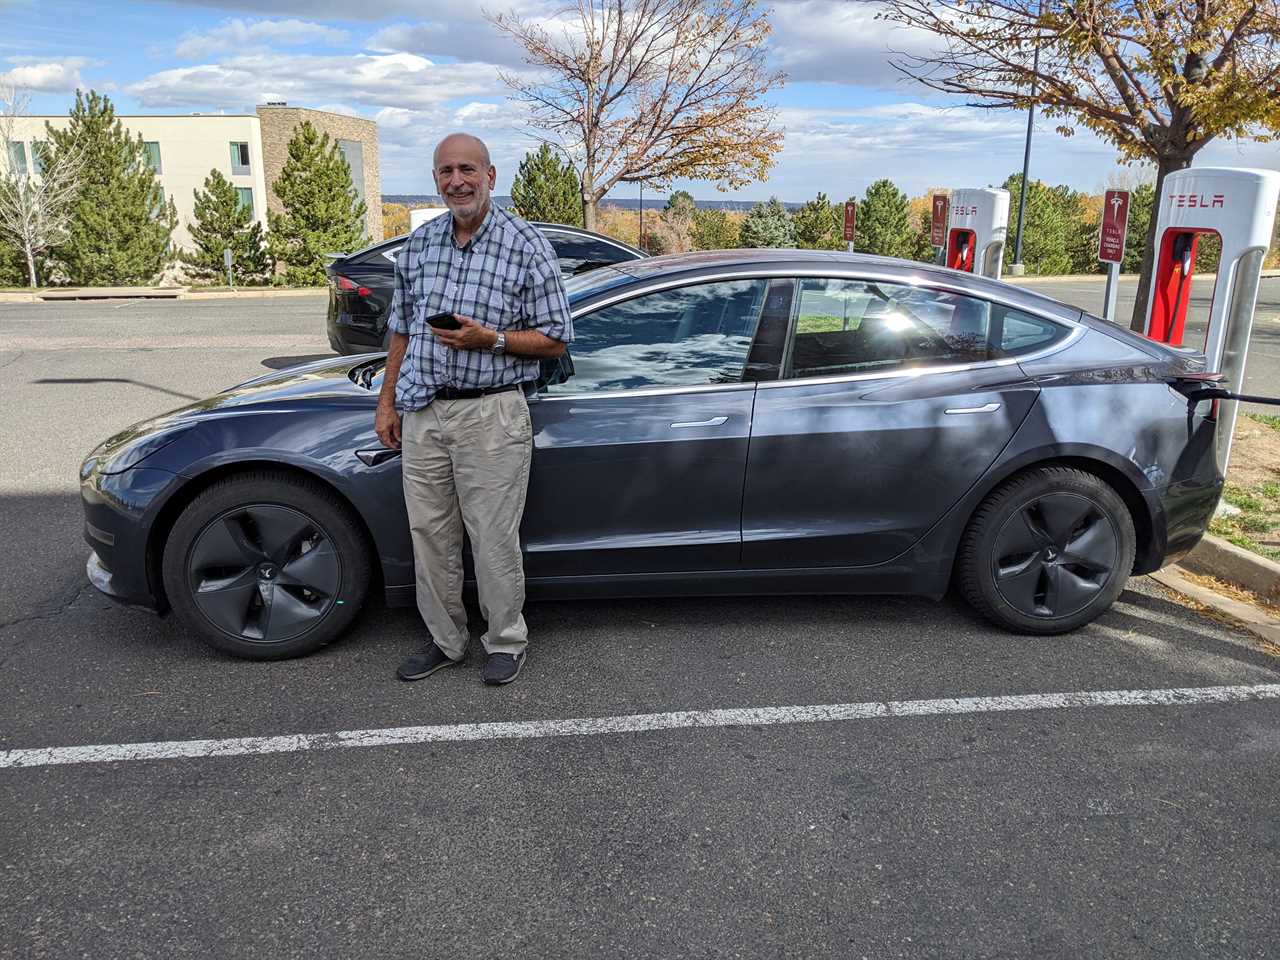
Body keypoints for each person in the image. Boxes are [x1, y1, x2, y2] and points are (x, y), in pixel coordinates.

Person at [375, 133, 572, 686]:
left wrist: (493, 341)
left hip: (492, 414)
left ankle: (506, 640)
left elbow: (557, 338)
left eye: (467, 169)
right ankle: (445, 640)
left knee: (491, 537)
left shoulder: (525, 245)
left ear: (490, 175)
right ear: (436, 180)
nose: (456, 181)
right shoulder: (421, 244)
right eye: (445, 171)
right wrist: (387, 400)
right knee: (430, 535)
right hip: (424, 414)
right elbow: (401, 328)